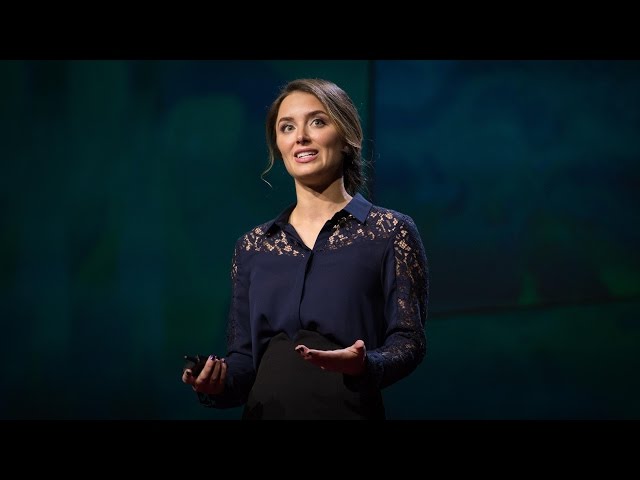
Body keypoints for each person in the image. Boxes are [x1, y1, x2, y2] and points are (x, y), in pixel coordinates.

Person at [182, 78, 429, 419]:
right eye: (287, 127)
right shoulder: (253, 247)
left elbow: (409, 341)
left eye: (317, 121)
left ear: (347, 137)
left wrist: (365, 363)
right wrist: (217, 383)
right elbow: (244, 362)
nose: (300, 137)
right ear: (279, 146)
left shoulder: (390, 232)